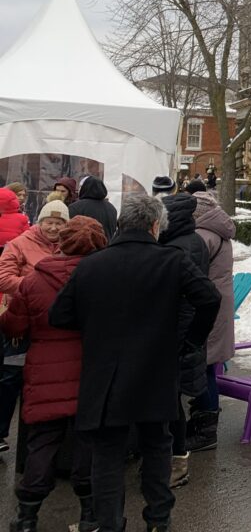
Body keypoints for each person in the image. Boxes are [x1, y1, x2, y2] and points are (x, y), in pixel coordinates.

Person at [49, 194, 220, 532]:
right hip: (155, 370)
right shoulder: (172, 261)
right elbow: (209, 298)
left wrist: (95, 327)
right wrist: (190, 341)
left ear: (121, 224)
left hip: (105, 374)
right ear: (155, 226)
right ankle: (158, 519)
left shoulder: (92, 265)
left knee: (108, 455)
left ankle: (110, 523)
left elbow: (60, 315)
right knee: (157, 446)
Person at [1, 216, 107, 532]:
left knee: (42, 443)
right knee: (87, 443)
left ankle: (27, 517)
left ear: (61, 242)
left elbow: (14, 325)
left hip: (44, 371)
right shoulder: (103, 279)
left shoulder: (34, 281)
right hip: (91, 371)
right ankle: (89, 515)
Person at [0, 201, 68, 454]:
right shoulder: (19, 244)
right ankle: (0, 431)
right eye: (49, 221)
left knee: (45, 380)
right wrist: (38, 290)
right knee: (11, 377)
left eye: (59, 222)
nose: (53, 227)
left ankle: (40, 438)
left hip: (53, 325)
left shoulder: (68, 247)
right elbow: (3, 278)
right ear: (40, 221)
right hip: (22, 323)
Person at [160, 192, 211, 487]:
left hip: (178, 334)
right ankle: (172, 458)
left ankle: (177, 461)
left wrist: (185, 339)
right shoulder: (189, 241)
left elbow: (189, 297)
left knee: (171, 403)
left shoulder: (181, 247)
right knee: (171, 400)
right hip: (184, 332)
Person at [185, 192, 234, 452]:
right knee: (207, 366)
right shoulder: (216, 232)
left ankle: (206, 431)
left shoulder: (204, 236)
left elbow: (192, 272)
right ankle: (202, 421)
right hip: (217, 306)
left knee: (202, 366)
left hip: (208, 309)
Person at [0, 187, 31, 251]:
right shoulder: (22, 218)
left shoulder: (23, 215)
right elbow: (27, 238)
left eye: (24, 195)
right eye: (19, 195)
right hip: (13, 252)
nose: (22, 198)